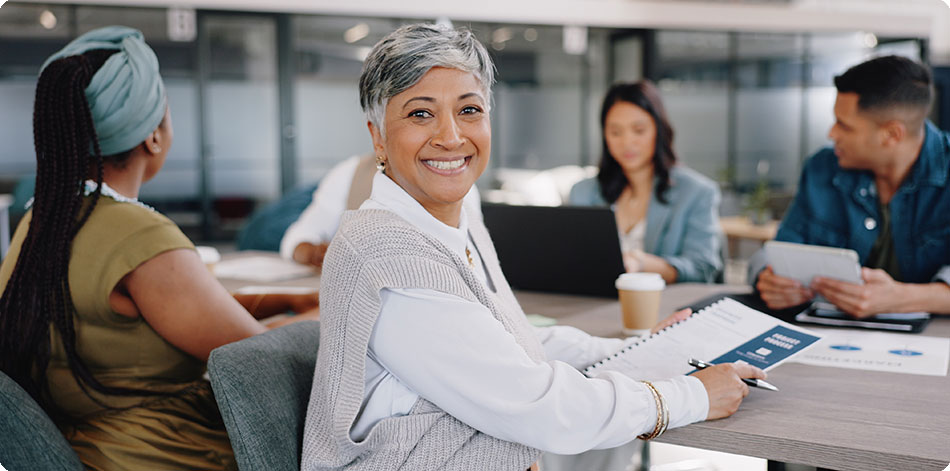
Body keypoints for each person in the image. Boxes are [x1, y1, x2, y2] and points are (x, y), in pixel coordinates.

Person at [302, 23, 764, 470]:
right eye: (420, 113)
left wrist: (633, 351)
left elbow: (509, 341)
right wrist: (693, 397)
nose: (450, 136)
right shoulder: (389, 254)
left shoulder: (458, 217)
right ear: (378, 137)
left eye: (469, 110)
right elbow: (538, 404)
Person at [0, 26, 316, 470]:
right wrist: (326, 313)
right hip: (168, 452)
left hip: (91, 445)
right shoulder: (139, 236)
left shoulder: (44, 217)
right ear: (153, 135)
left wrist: (290, 300)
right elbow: (258, 361)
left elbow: (166, 310)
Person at [752, 55, 950, 318]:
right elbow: (777, 252)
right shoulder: (822, 167)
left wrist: (902, 298)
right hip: (827, 337)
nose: (831, 134)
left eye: (844, 125)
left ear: (891, 135)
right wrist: (767, 278)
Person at [569, 81, 723, 284]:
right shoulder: (583, 191)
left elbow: (703, 267)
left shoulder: (697, 192)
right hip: (593, 306)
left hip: (664, 307)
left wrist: (642, 263)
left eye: (639, 130)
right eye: (615, 132)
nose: (627, 142)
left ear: (658, 130)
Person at [281, 153, 483, 268]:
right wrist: (312, 252)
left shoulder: (458, 184)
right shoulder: (349, 173)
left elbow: (475, 264)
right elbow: (296, 238)